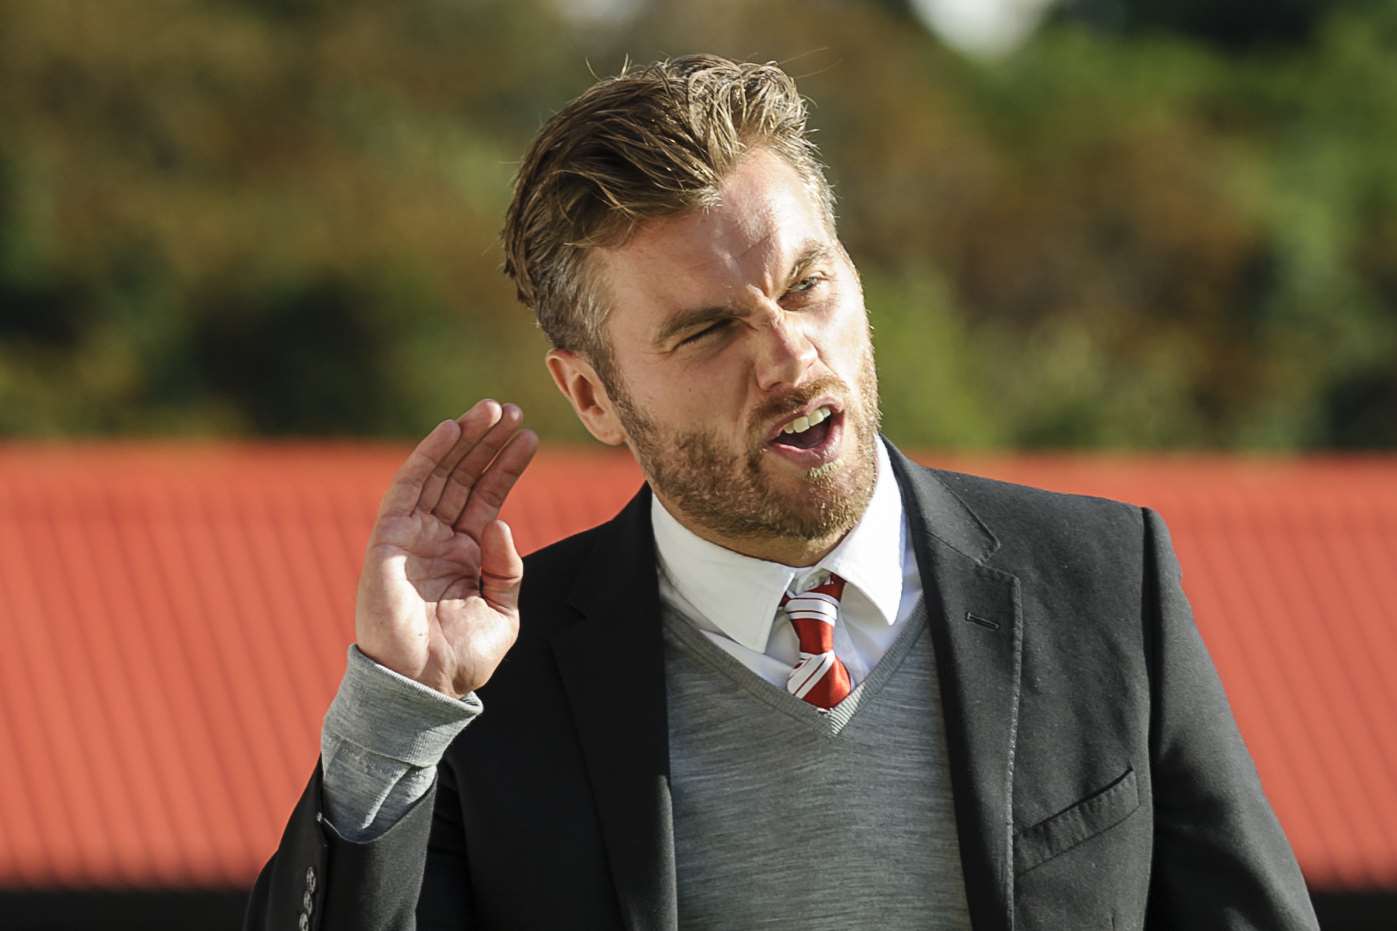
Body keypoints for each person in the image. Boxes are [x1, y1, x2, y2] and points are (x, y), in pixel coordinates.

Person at [244, 55, 1319, 930]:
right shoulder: (489, 688)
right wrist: (396, 712)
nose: (793, 358)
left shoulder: (1101, 583)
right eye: (708, 329)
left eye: (807, 284)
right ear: (592, 393)